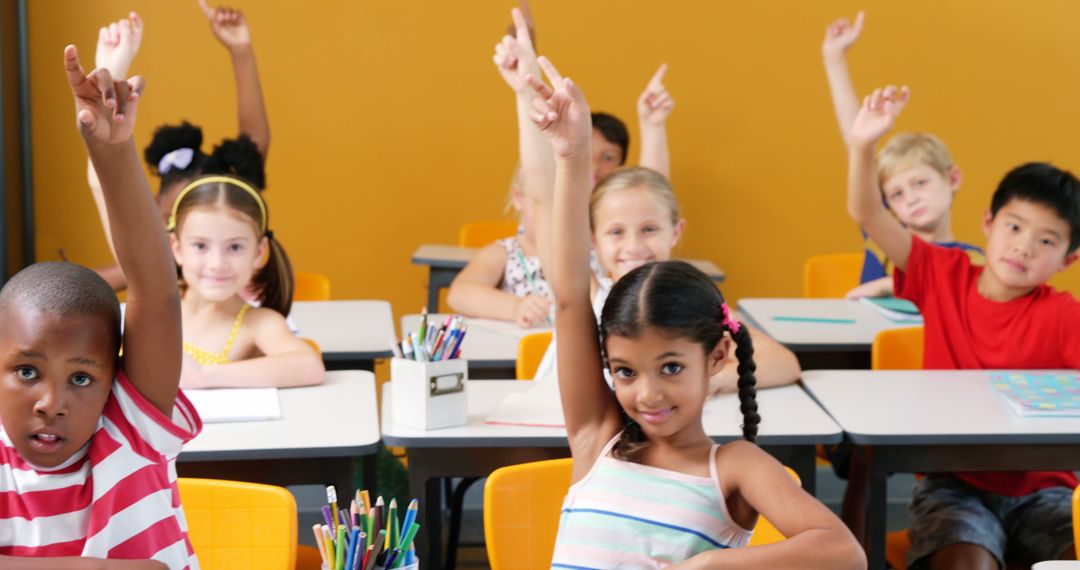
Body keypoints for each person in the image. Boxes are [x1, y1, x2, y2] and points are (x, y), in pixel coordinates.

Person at [530, 55, 865, 569]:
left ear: (717, 357)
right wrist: (572, 158)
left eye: (670, 367)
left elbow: (844, 554)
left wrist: (709, 565)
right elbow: (571, 295)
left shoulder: (734, 467)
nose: (648, 393)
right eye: (624, 371)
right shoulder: (599, 436)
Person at [848, 84, 1080, 569]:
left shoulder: (1063, 314)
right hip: (954, 486)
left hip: (1047, 492)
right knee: (966, 563)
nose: (1022, 248)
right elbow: (868, 213)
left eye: (1046, 240)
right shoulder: (941, 275)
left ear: (1068, 259)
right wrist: (863, 146)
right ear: (988, 222)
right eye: (1014, 227)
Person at [0, 44, 199, 569]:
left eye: (83, 378)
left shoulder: (131, 429)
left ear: (117, 377)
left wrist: (112, 151)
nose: (51, 401)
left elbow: (156, 292)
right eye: (25, 371)